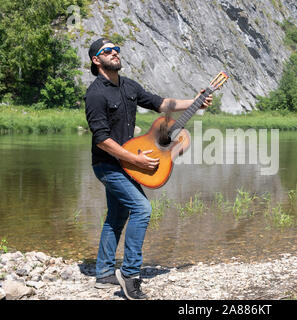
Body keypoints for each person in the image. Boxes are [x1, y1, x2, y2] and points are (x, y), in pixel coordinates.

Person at [84, 38, 212, 300]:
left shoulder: (129, 86)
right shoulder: (95, 94)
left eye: (116, 50)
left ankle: (104, 273)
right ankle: (130, 275)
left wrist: (195, 101)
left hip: (129, 164)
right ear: (97, 60)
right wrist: (137, 160)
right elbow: (102, 139)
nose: (114, 53)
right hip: (108, 164)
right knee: (142, 209)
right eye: (107, 51)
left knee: (116, 217)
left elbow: (162, 104)